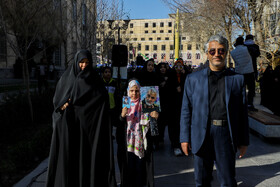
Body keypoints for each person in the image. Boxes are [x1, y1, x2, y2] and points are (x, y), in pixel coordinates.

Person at [180, 35, 249, 187]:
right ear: (207, 54)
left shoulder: (237, 79)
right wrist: (184, 137)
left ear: (226, 53)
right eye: (212, 51)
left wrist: (244, 141)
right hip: (201, 135)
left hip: (225, 134)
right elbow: (186, 110)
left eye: (221, 50)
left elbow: (243, 112)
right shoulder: (193, 79)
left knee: (228, 181)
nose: (217, 54)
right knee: (202, 180)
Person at [46, 50, 116, 187]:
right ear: (76, 62)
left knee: (88, 160)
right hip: (71, 128)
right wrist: (63, 106)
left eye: (87, 63)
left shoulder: (95, 81)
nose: (84, 66)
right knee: (72, 160)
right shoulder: (67, 79)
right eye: (81, 62)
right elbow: (57, 104)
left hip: (90, 132)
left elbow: (102, 102)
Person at [117, 79, 159, 187]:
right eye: (131, 91)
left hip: (142, 141)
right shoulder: (124, 104)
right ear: (128, 91)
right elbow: (117, 123)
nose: (134, 93)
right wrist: (122, 116)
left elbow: (153, 127)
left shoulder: (146, 103)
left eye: (136, 91)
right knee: (129, 166)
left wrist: (155, 117)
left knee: (140, 168)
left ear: (140, 91)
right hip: (128, 142)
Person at [230, 36, 256, 111]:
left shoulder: (233, 52)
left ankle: (241, 103)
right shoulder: (247, 48)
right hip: (249, 71)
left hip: (239, 72)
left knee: (241, 89)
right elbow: (255, 52)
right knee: (251, 89)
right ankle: (250, 104)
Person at [244, 34, 260, 110]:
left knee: (243, 87)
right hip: (252, 69)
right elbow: (258, 54)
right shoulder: (255, 46)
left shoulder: (243, 47)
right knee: (251, 88)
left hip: (243, 69)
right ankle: (250, 104)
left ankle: (244, 103)